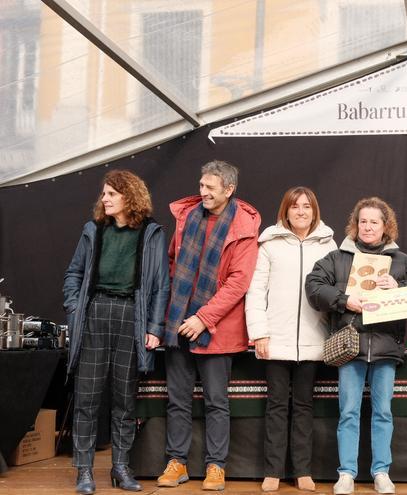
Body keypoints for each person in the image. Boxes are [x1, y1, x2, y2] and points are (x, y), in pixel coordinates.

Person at [305, 197, 407, 495]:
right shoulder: (338, 258)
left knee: (383, 412)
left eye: (374, 222)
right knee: (348, 411)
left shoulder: (401, 261)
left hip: (387, 348)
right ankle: (346, 473)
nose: (368, 227)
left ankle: (381, 472)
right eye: (363, 221)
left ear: (386, 226)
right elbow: (314, 286)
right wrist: (344, 299)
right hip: (350, 347)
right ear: (355, 224)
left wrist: (399, 288)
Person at [63, 170, 170, 494]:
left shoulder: (151, 233)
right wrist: (75, 307)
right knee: (86, 399)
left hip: (132, 317)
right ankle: (84, 471)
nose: (105, 199)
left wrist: (154, 328)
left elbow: (161, 287)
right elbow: (74, 274)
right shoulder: (93, 230)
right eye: (104, 193)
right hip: (95, 314)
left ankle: (121, 467)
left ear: (129, 196)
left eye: (111, 193)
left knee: (125, 400)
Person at [156, 160, 261, 491]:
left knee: (217, 401)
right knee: (178, 399)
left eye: (209, 188)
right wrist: (179, 310)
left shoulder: (243, 227)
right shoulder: (187, 217)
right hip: (179, 322)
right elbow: (173, 261)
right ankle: (177, 462)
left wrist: (203, 317)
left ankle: (216, 466)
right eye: (201, 186)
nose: (202, 192)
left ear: (229, 190)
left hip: (217, 328)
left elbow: (238, 282)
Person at [245, 187, 336, 492]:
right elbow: (256, 293)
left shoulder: (328, 245)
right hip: (276, 340)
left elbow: (336, 290)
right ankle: (273, 470)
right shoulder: (270, 244)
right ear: (285, 211)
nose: (300, 211)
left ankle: (303, 471)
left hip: (313, 341)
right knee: (276, 407)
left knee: (304, 407)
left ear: (315, 211)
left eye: (306, 206)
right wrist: (259, 333)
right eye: (295, 206)